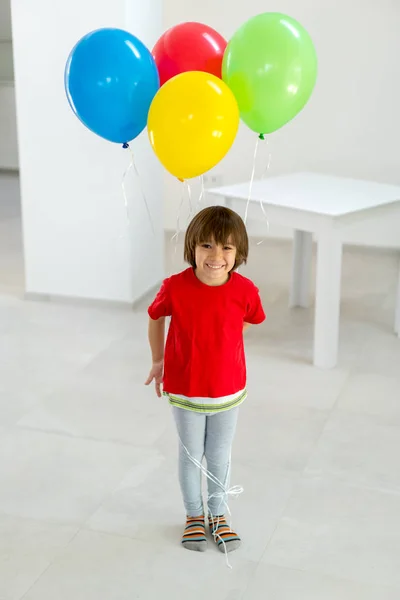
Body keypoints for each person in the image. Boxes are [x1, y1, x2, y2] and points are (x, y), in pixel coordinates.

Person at [145, 206, 265, 554]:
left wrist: (225, 339)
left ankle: (218, 515)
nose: (216, 256)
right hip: (186, 390)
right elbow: (155, 317)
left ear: (238, 253)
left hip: (228, 390)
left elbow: (251, 319)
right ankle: (194, 516)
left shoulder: (245, 290)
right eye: (207, 246)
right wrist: (157, 359)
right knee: (191, 455)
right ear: (192, 248)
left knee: (219, 455)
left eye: (227, 248)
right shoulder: (175, 287)